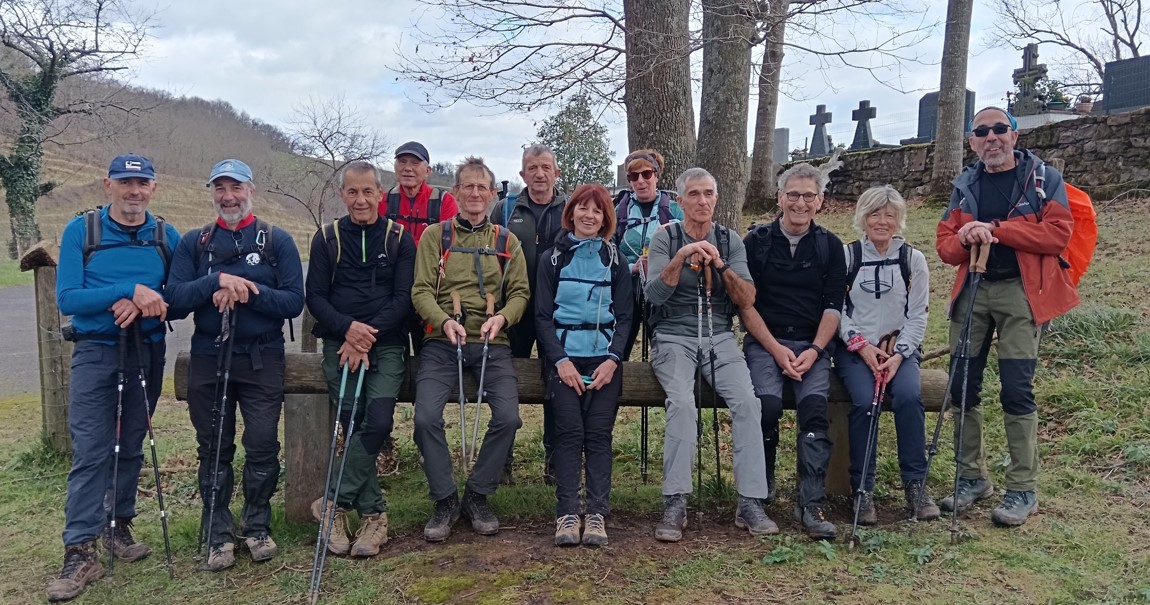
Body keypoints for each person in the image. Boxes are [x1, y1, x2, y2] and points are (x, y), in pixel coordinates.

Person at [935, 106, 1078, 526]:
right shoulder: (965, 184)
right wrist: (966, 234)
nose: (992, 137)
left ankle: (1023, 488)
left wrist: (995, 229)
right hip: (973, 293)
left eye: (1000, 129)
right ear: (972, 141)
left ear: (1015, 135)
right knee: (963, 386)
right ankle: (971, 477)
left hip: (1022, 294)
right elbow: (945, 246)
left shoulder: (1042, 179)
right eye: (982, 131)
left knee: (1017, 389)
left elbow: (1057, 234)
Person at [49, 154, 179, 602]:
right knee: (91, 450)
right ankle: (79, 549)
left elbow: (180, 295)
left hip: (147, 352)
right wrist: (127, 292)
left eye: (143, 182)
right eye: (125, 182)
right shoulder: (80, 231)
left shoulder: (166, 236)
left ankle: (117, 527)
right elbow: (68, 298)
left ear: (153, 188)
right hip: (96, 353)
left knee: (130, 444)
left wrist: (149, 300)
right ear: (108, 185)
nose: (134, 191)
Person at [165, 159, 305, 570]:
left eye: (236, 187)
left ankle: (257, 526)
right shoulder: (195, 242)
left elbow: (294, 301)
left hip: (262, 356)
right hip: (209, 354)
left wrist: (248, 290)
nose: (229, 196)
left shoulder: (276, 241)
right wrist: (216, 283)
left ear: (251, 191)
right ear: (212, 192)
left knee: (262, 444)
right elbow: (173, 299)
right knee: (213, 449)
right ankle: (217, 535)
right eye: (220, 188)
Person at [645, 167, 776, 542]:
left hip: (719, 337)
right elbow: (652, 296)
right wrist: (682, 256)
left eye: (708, 194)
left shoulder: (730, 239)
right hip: (673, 337)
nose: (702, 201)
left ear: (716, 199)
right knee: (683, 405)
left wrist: (720, 265)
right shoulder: (664, 238)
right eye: (694, 194)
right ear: (681, 200)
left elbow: (747, 298)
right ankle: (675, 500)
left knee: (749, 404)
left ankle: (750, 501)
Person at [410, 156, 530, 543]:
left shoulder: (505, 241)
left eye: (482, 187)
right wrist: (443, 321)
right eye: (468, 186)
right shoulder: (435, 236)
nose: (475, 193)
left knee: (509, 418)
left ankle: (478, 494)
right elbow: (421, 290)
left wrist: (504, 319)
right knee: (426, 417)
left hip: (493, 344)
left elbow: (520, 293)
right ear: (456, 192)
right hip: (442, 343)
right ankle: (445, 499)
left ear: (493, 194)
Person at [306, 161, 416, 557]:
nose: (360, 200)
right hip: (340, 345)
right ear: (342, 195)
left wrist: (366, 335)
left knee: (379, 420)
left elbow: (403, 299)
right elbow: (315, 296)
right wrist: (349, 330)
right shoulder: (327, 238)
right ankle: (374, 516)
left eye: (368, 192)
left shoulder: (399, 239)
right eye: (352, 192)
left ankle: (331, 502)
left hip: (385, 345)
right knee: (351, 420)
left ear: (380, 194)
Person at [740, 162, 847, 540]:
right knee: (765, 406)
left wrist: (816, 350)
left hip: (813, 345)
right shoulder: (757, 242)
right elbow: (746, 304)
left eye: (808, 196)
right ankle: (759, 491)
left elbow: (834, 305)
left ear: (819, 201)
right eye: (793, 195)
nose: (799, 203)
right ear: (779, 197)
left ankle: (811, 502)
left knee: (814, 413)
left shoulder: (830, 246)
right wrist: (775, 349)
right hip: (765, 342)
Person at [833, 185, 940, 524]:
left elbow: (918, 313)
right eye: (875, 214)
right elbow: (836, 309)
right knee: (865, 403)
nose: (882, 221)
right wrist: (861, 346)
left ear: (899, 220)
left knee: (909, 397)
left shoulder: (913, 260)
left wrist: (899, 354)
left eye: (889, 215)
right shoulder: (848, 257)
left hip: (899, 351)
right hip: (855, 351)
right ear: (863, 218)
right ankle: (862, 489)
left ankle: (916, 484)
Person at [534, 184, 633, 547]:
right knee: (569, 433)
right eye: (583, 209)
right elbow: (542, 317)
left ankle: (596, 514)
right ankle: (566, 512)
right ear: (571, 212)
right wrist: (559, 361)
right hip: (564, 359)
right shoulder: (552, 259)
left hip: (604, 359)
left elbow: (625, 317)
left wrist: (612, 360)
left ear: (606, 218)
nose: (590, 216)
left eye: (598, 211)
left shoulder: (616, 260)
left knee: (598, 435)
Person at [489, 144, 568, 483]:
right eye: (532, 168)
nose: (539, 174)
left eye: (545, 167)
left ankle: (554, 457)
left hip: (558, 311)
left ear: (556, 173)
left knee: (557, 382)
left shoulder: (571, 209)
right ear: (522, 174)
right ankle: (502, 457)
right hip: (514, 310)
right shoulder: (505, 210)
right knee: (506, 382)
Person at [380, 141, 459, 361]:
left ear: (427, 170)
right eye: (402, 161)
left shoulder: (444, 202)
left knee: (429, 358)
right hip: (392, 294)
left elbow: (451, 251)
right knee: (393, 357)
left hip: (430, 293)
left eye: (415, 163)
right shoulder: (384, 202)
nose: (408, 168)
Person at [614, 149, 684, 361]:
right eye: (634, 176)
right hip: (627, 285)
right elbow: (607, 250)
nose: (641, 181)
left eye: (646, 174)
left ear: (656, 175)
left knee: (662, 344)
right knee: (621, 341)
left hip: (663, 284)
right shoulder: (619, 210)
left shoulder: (674, 210)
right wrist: (630, 267)